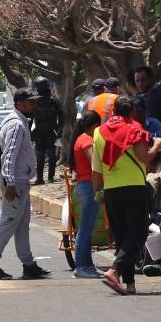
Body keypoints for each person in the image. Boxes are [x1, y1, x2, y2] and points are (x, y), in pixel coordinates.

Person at [95, 96, 161, 295]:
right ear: (132, 111)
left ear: (113, 111)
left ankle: (129, 283)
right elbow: (145, 157)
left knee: (121, 236)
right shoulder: (135, 129)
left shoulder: (99, 132)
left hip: (111, 189)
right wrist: (157, 145)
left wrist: (97, 191)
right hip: (134, 187)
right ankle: (114, 270)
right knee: (139, 232)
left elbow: (97, 167)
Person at [0, 87, 52, 281]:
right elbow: (9, 155)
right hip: (15, 181)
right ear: (20, 104)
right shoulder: (17, 124)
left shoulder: (18, 121)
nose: (35, 105)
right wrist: (10, 182)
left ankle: (28, 265)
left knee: (21, 224)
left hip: (19, 180)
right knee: (9, 220)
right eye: (31, 102)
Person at [71, 112, 104, 278]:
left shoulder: (82, 138)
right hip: (89, 185)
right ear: (95, 126)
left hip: (87, 185)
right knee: (85, 228)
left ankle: (87, 265)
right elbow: (94, 163)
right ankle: (81, 266)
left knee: (88, 228)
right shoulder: (86, 140)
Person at [31, 77, 63, 185]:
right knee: (39, 157)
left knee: (52, 156)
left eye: (40, 87)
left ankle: (51, 176)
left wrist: (59, 131)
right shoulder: (35, 101)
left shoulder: (53, 101)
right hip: (39, 132)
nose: (39, 89)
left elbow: (61, 117)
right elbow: (30, 117)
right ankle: (39, 178)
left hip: (51, 131)